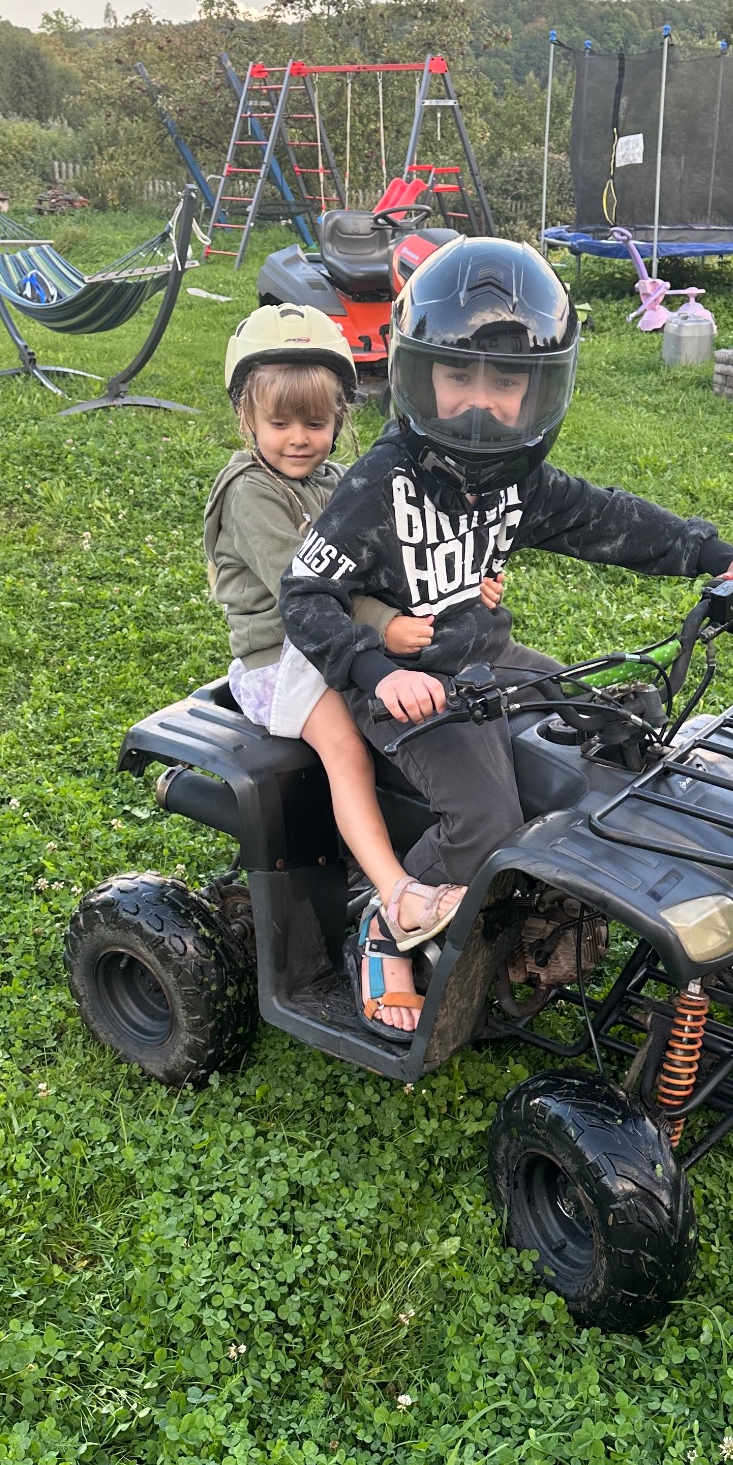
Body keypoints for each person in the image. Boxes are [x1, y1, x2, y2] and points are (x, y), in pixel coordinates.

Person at [279, 238, 733, 1021]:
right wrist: (375, 671)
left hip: (493, 659)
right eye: (458, 375)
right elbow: (306, 592)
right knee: (485, 821)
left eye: (507, 380)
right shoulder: (380, 484)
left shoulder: (518, 480)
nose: (481, 401)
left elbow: (607, 520)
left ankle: (605, 911)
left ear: (542, 388)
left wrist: (712, 554)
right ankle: (386, 921)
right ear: (418, 373)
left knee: (612, 731)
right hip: (411, 689)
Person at [204, 303, 505, 1036]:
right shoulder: (250, 492)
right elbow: (303, 585)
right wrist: (385, 626)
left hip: (338, 647)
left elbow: (389, 559)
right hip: (281, 659)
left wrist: (463, 585)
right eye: (281, 423)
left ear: (339, 417)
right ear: (247, 418)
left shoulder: (341, 479)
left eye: (315, 422)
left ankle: (444, 848)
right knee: (345, 749)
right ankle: (396, 894)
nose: (299, 439)